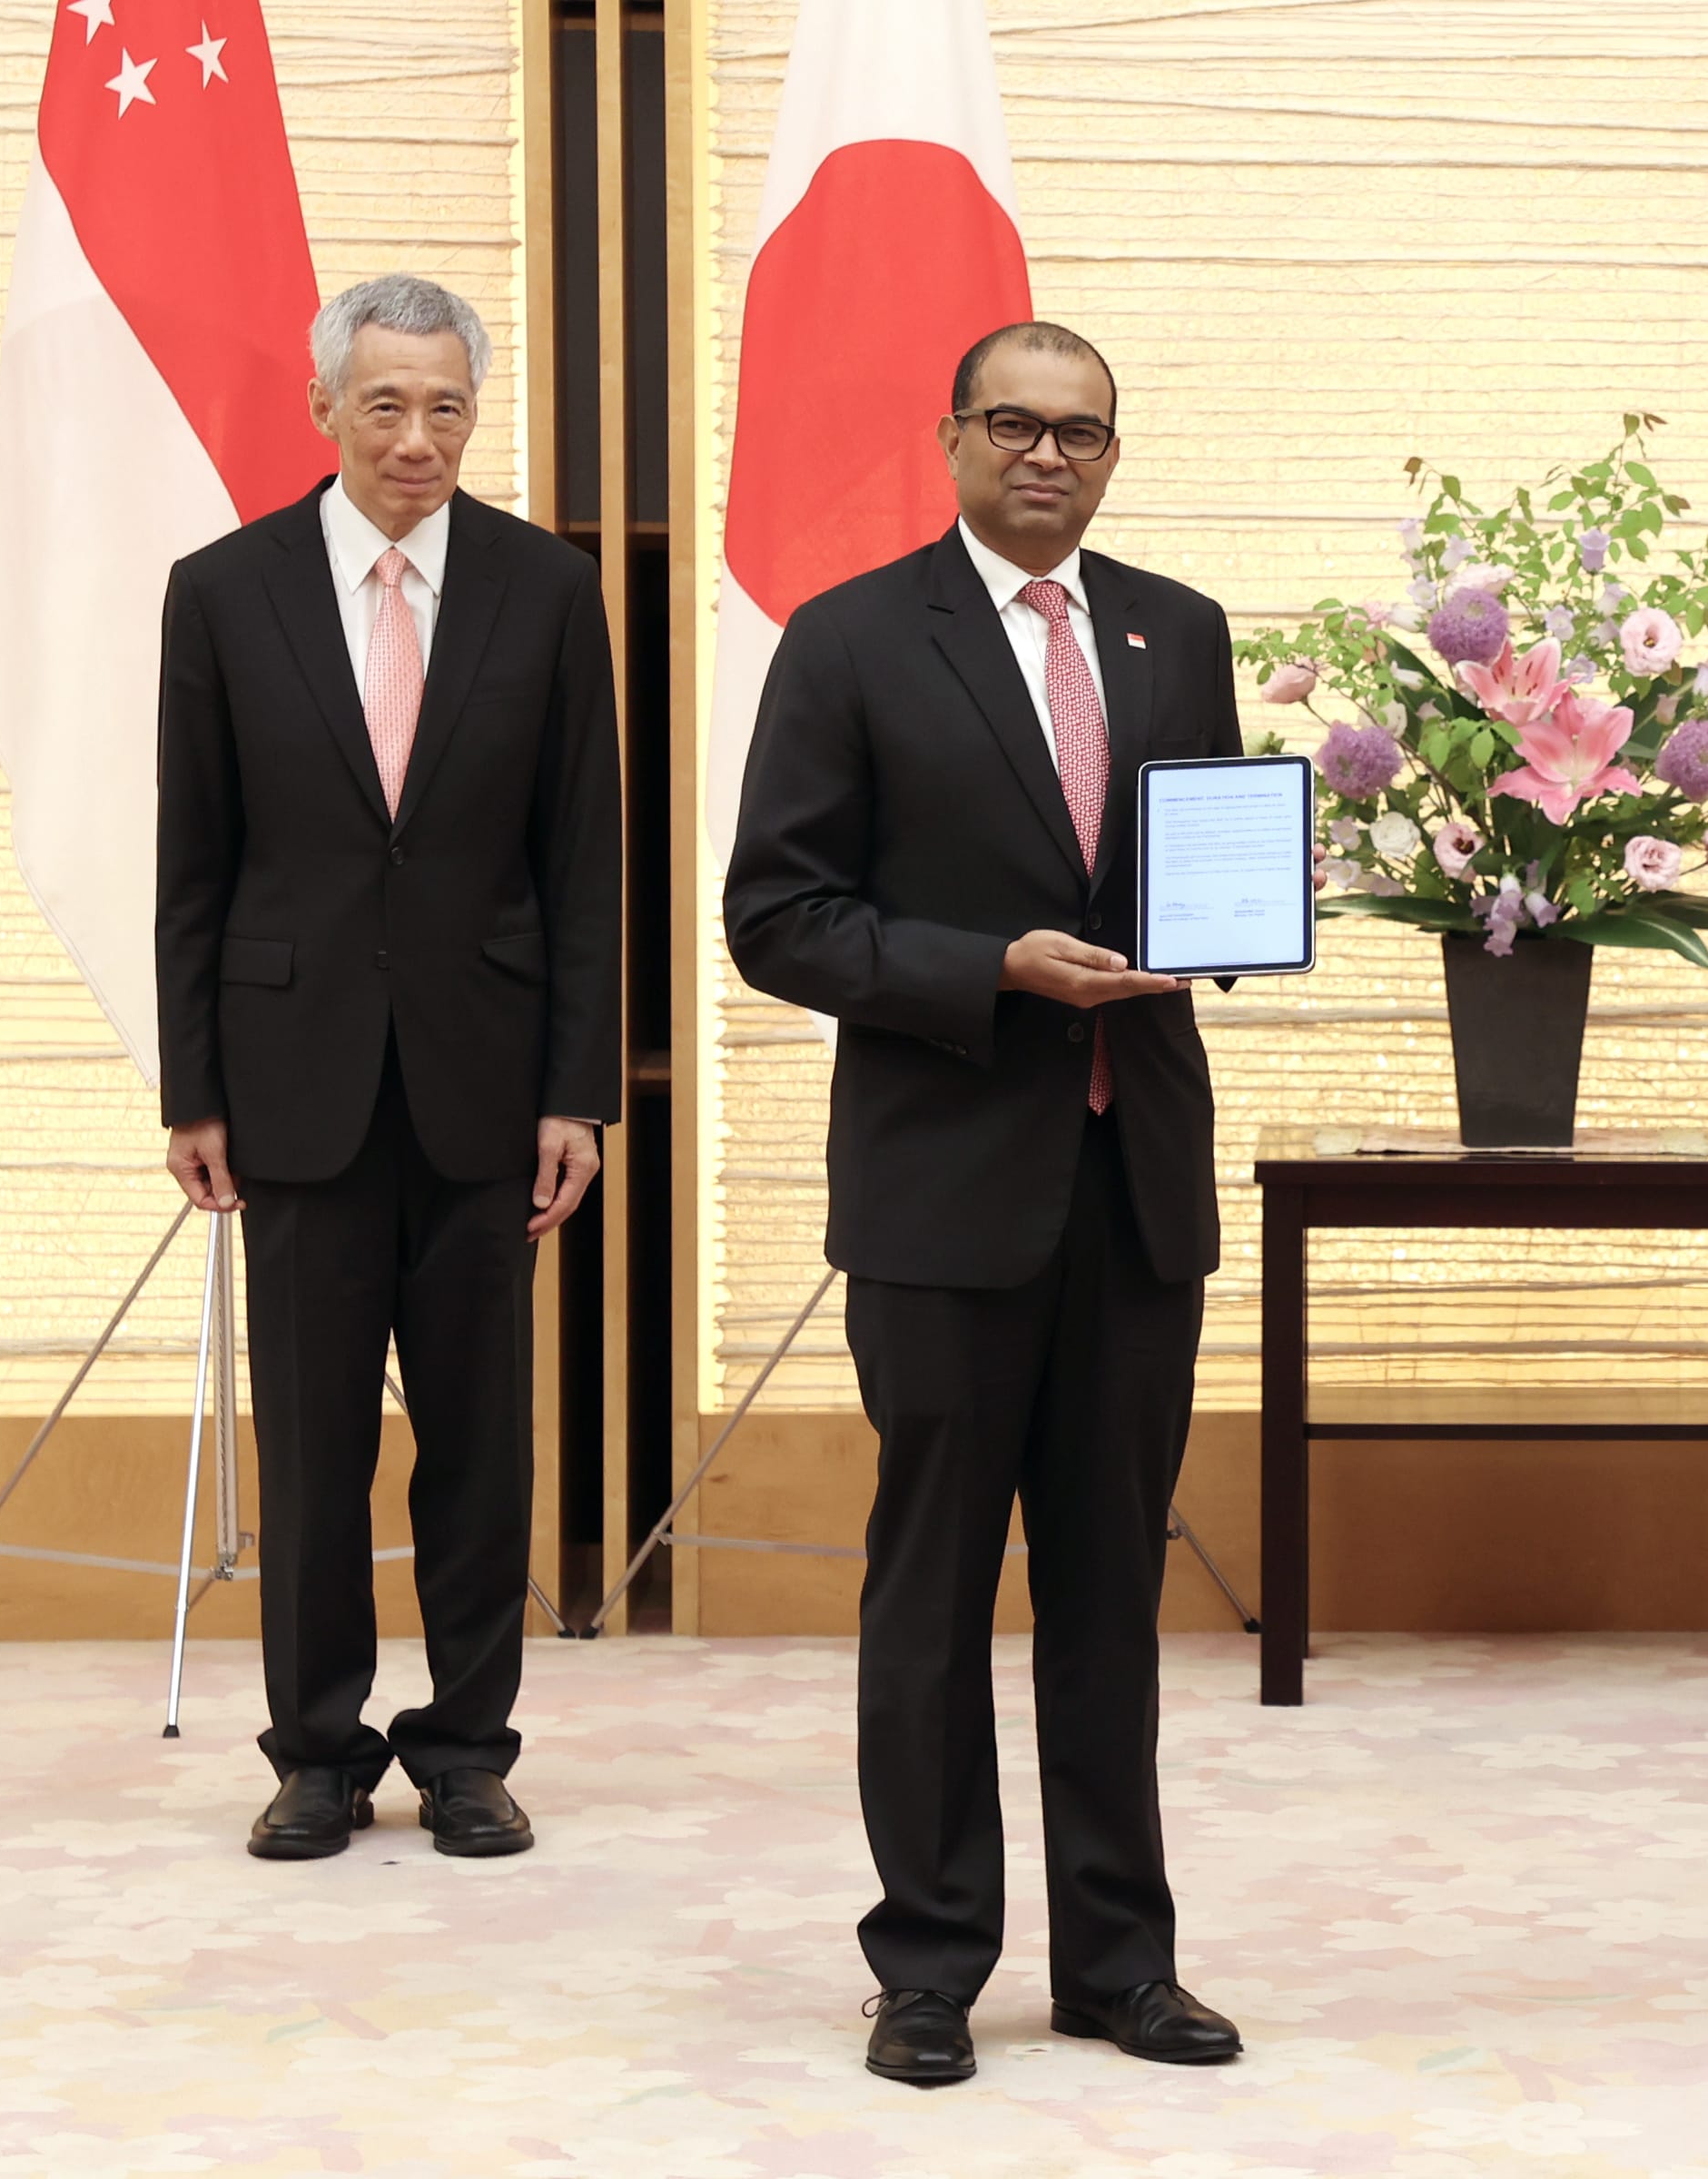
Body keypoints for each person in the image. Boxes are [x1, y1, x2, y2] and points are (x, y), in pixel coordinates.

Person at [725, 320, 1244, 2085]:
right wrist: (992, 971)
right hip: (947, 1192)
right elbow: (777, 914)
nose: (1047, 456)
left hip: (1135, 1185)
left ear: (1114, 454)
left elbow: (1201, 868)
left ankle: (1119, 1961)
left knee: (1111, 1591)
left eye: (1080, 433)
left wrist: (1231, 927)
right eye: (1013, 426)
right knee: (933, 1593)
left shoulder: (1183, 633)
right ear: (951, 438)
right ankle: (930, 1964)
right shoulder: (855, 639)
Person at [155, 274, 621, 1863]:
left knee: (483, 1439)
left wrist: (582, 1093)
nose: (416, 437)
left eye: (445, 408)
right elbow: (194, 865)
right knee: (314, 1436)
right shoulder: (222, 591)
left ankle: (471, 1748)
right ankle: (315, 1748)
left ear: (470, 414)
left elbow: (583, 863)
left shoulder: (547, 593)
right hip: (290, 1083)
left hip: (490, 1085)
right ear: (324, 409)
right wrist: (192, 1089)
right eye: (385, 405)